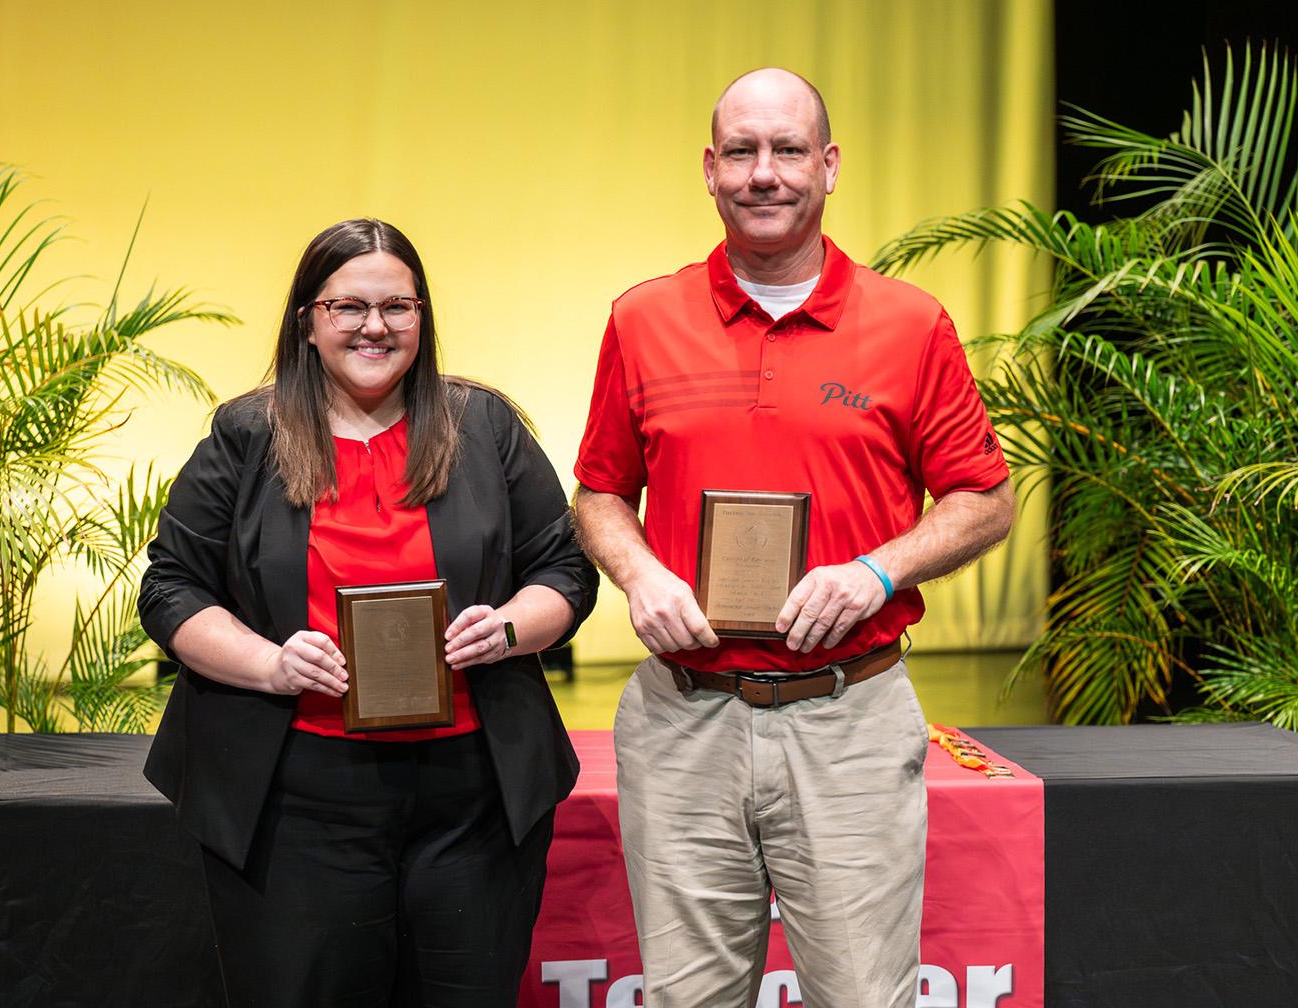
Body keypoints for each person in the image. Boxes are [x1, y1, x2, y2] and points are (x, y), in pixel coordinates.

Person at [572, 68, 1016, 1007]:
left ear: (830, 164)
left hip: (847, 718)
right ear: (709, 167)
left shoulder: (911, 324)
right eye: (741, 151)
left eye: (786, 150)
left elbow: (985, 497)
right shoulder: (643, 319)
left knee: (862, 995)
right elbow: (601, 492)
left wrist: (875, 570)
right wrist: (639, 573)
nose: (763, 173)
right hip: (685, 718)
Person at [140, 218, 597, 1007]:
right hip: (297, 798)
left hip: (472, 799)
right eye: (348, 307)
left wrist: (512, 628)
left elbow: (564, 570)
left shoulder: (483, 427)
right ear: (307, 322)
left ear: (423, 316)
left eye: (398, 306)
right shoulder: (247, 433)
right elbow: (172, 588)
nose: (375, 326)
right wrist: (270, 664)